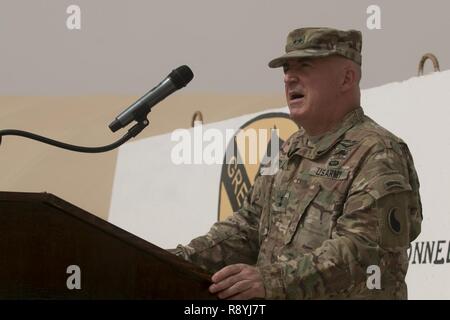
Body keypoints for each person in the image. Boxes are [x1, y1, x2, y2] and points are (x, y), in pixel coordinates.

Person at [170, 27, 422, 299]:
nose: (290, 78)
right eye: (287, 69)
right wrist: (178, 260)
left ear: (346, 78)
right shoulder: (289, 150)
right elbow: (250, 226)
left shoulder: (378, 152)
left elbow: (367, 250)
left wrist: (271, 281)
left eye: (305, 66)